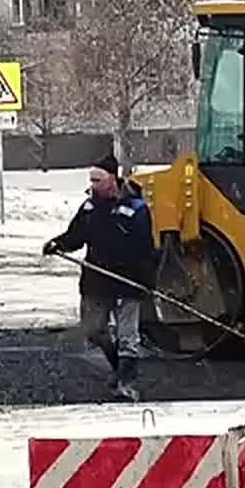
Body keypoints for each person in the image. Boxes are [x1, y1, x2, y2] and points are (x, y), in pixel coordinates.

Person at [43, 154, 156, 401]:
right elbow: (76, 236)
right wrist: (58, 244)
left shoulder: (135, 209)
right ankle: (118, 368)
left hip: (128, 281)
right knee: (94, 330)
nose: (93, 185)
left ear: (112, 179)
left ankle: (127, 384)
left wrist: (147, 281)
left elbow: (147, 249)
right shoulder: (89, 207)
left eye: (98, 180)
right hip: (96, 280)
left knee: (128, 336)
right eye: (91, 180)